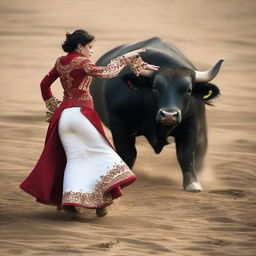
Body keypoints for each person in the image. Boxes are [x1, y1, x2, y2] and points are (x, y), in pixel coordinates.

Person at [20, 29, 159, 217]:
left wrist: (53, 106)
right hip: (81, 115)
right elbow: (107, 72)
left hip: (64, 118)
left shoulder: (60, 62)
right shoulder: (83, 62)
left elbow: (44, 85)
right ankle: (102, 203)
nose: (91, 52)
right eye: (90, 47)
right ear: (80, 46)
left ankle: (72, 201)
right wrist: (126, 57)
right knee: (104, 154)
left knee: (76, 159)